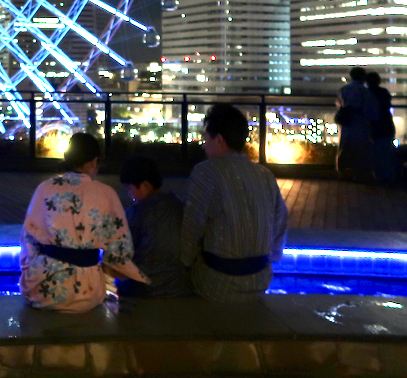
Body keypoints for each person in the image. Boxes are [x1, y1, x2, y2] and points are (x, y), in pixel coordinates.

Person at [20, 133, 147, 312]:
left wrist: (30, 269)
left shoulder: (45, 188)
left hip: (43, 289)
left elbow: (29, 238)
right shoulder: (106, 194)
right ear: (94, 162)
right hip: (86, 292)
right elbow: (120, 250)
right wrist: (108, 276)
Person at [180, 103, 289, 302]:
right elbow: (280, 221)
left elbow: (191, 227)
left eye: (206, 138)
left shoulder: (206, 172)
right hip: (260, 279)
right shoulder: (265, 174)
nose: (204, 145)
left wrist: (185, 262)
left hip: (216, 279)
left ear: (219, 140)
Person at [116, 155, 193, 298]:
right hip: (179, 286)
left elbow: (121, 253)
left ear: (145, 185)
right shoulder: (179, 206)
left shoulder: (136, 213)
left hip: (143, 288)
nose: (129, 195)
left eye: (129, 189)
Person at [336, 66, 379, 178]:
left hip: (346, 121)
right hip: (360, 122)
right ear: (363, 77)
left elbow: (339, 104)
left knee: (345, 146)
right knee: (361, 147)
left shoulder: (344, 89)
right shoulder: (365, 91)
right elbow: (371, 111)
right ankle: (359, 172)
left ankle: (343, 171)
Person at [366, 72, 397, 182]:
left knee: (374, 152)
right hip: (386, 125)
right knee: (386, 151)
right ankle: (387, 175)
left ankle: (376, 175)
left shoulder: (366, 94)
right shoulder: (384, 92)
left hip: (373, 126)